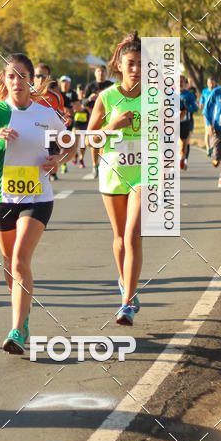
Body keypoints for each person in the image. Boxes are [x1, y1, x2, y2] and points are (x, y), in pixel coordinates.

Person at [0, 53, 70, 354]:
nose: (16, 82)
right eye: (10, 76)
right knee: (10, 264)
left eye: (22, 76)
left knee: (21, 259)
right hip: (0, 196)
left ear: (31, 80)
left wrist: (58, 160)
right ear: (4, 81)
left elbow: (70, 143)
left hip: (37, 196)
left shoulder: (45, 113)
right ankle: (22, 319)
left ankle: (15, 330)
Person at [87, 32, 142, 326]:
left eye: (141, 64)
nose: (136, 69)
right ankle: (124, 281)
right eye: (131, 63)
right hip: (113, 173)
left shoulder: (156, 98)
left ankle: (127, 303)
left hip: (144, 174)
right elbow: (89, 140)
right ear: (120, 65)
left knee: (133, 235)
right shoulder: (106, 97)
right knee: (120, 238)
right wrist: (113, 125)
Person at [84, 64, 114, 179]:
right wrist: (89, 99)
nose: (100, 74)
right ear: (95, 73)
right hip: (94, 118)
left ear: (106, 73)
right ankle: (94, 164)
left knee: (104, 143)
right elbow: (82, 101)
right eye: (98, 72)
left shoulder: (110, 86)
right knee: (94, 142)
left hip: (108, 118)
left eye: (102, 71)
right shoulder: (90, 86)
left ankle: (102, 164)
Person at [58, 76, 78, 174]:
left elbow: (76, 106)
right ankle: (63, 163)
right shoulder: (57, 94)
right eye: (63, 82)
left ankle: (71, 155)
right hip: (59, 121)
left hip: (70, 121)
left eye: (66, 82)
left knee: (69, 142)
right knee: (60, 142)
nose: (64, 84)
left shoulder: (73, 93)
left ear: (69, 83)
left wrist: (71, 110)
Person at [179, 75, 198, 170]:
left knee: (183, 144)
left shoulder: (189, 95)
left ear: (185, 83)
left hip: (185, 122)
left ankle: (182, 159)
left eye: (182, 81)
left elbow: (195, 108)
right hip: (172, 123)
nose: (180, 83)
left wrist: (187, 107)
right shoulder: (169, 93)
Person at [71, 84, 89, 167]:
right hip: (76, 123)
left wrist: (85, 107)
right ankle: (75, 156)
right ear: (76, 91)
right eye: (79, 89)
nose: (80, 91)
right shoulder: (74, 99)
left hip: (85, 124)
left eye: (82, 89)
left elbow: (90, 110)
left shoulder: (86, 100)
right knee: (74, 142)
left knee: (83, 144)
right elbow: (73, 110)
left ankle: (81, 159)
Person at [200, 76, 217, 156]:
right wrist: (200, 104)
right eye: (210, 83)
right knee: (207, 131)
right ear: (207, 83)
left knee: (214, 132)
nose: (211, 85)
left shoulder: (217, 91)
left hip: (215, 113)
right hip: (206, 114)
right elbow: (201, 101)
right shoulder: (204, 91)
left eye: (213, 83)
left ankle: (213, 146)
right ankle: (208, 149)